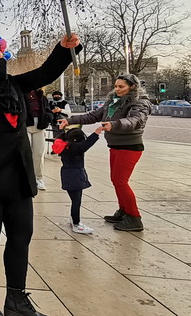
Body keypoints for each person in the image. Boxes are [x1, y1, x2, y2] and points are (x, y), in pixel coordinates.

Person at [0, 33, 81, 316]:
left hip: (19, 175)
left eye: (2, 58)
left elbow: (47, 71)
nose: (1, 62)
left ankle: (16, 300)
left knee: (21, 236)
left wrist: (64, 49)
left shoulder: (16, 86)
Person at [58, 73, 152, 232]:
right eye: (116, 86)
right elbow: (93, 116)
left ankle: (135, 218)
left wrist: (114, 125)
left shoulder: (140, 103)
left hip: (129, 146)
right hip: (115, 146)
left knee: (121, 181)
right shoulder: (112, 102)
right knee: (116, 180)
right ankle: (124, 211)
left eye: (121, 87)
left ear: (133, 87)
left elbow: (135, 121)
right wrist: (70, 120)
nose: (117, 89)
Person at [52, 126, 103, 234]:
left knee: (74, 200)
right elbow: (86, 144)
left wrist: (62, 128)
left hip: (66, 174)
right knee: (76, 201)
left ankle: (73, 220)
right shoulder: (76, 148)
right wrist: (96, 133)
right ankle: (76, 223)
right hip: (76, 176)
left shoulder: (64, 146)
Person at [25, 88, 51, 190]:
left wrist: (48, 118)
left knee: (39, 153)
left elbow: (47, 110)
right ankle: (27, 178)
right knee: (26, 152)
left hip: (40, 125)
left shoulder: (42, 97)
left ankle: (38, 178)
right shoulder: (22, 94)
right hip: (26, 125)